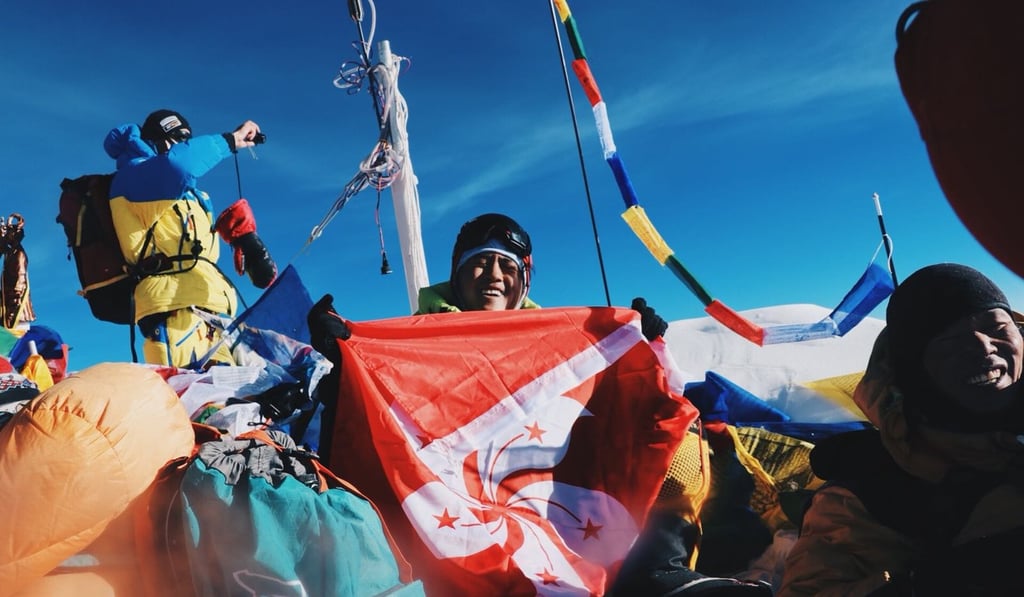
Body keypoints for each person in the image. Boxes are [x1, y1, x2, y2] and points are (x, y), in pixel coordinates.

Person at [310, 212, 771, 596]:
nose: (494, 276)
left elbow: (647, 406)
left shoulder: (564, 350)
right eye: (480, 263)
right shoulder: (411, 346)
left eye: (507, 267)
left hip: (553, 491)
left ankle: (657, 569)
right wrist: (346, 364)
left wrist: (643, 349)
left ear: (523, 279)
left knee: (682, 445)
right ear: (456, 274)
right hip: (457, 501)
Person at [779, 263, 1024, 596]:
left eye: (996, 327)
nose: (983, 347)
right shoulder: (870, 495)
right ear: (914, 370)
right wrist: (939, 582)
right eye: (950, 340)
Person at [103, 109, 277, 368]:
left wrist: (244, 240)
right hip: (173, 311)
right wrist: (232, 140)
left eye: (187, 138)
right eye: (177, 139)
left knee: (247, 398)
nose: (184, 144)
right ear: (156, 141)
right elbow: (179, 165)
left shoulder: (191, 196)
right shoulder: (135, 175)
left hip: (213, 313)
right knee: (200, 403)